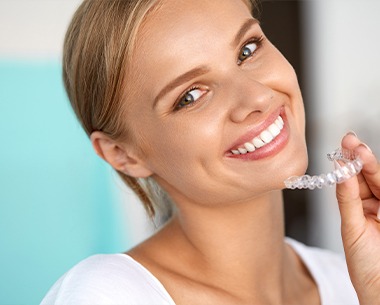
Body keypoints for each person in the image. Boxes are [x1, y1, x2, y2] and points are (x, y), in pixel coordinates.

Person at [41, 0, 380, 304]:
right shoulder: (106, 295)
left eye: (247, 50)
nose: (258, 97)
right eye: (190, 96)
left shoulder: (352, 282)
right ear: (122, 154)